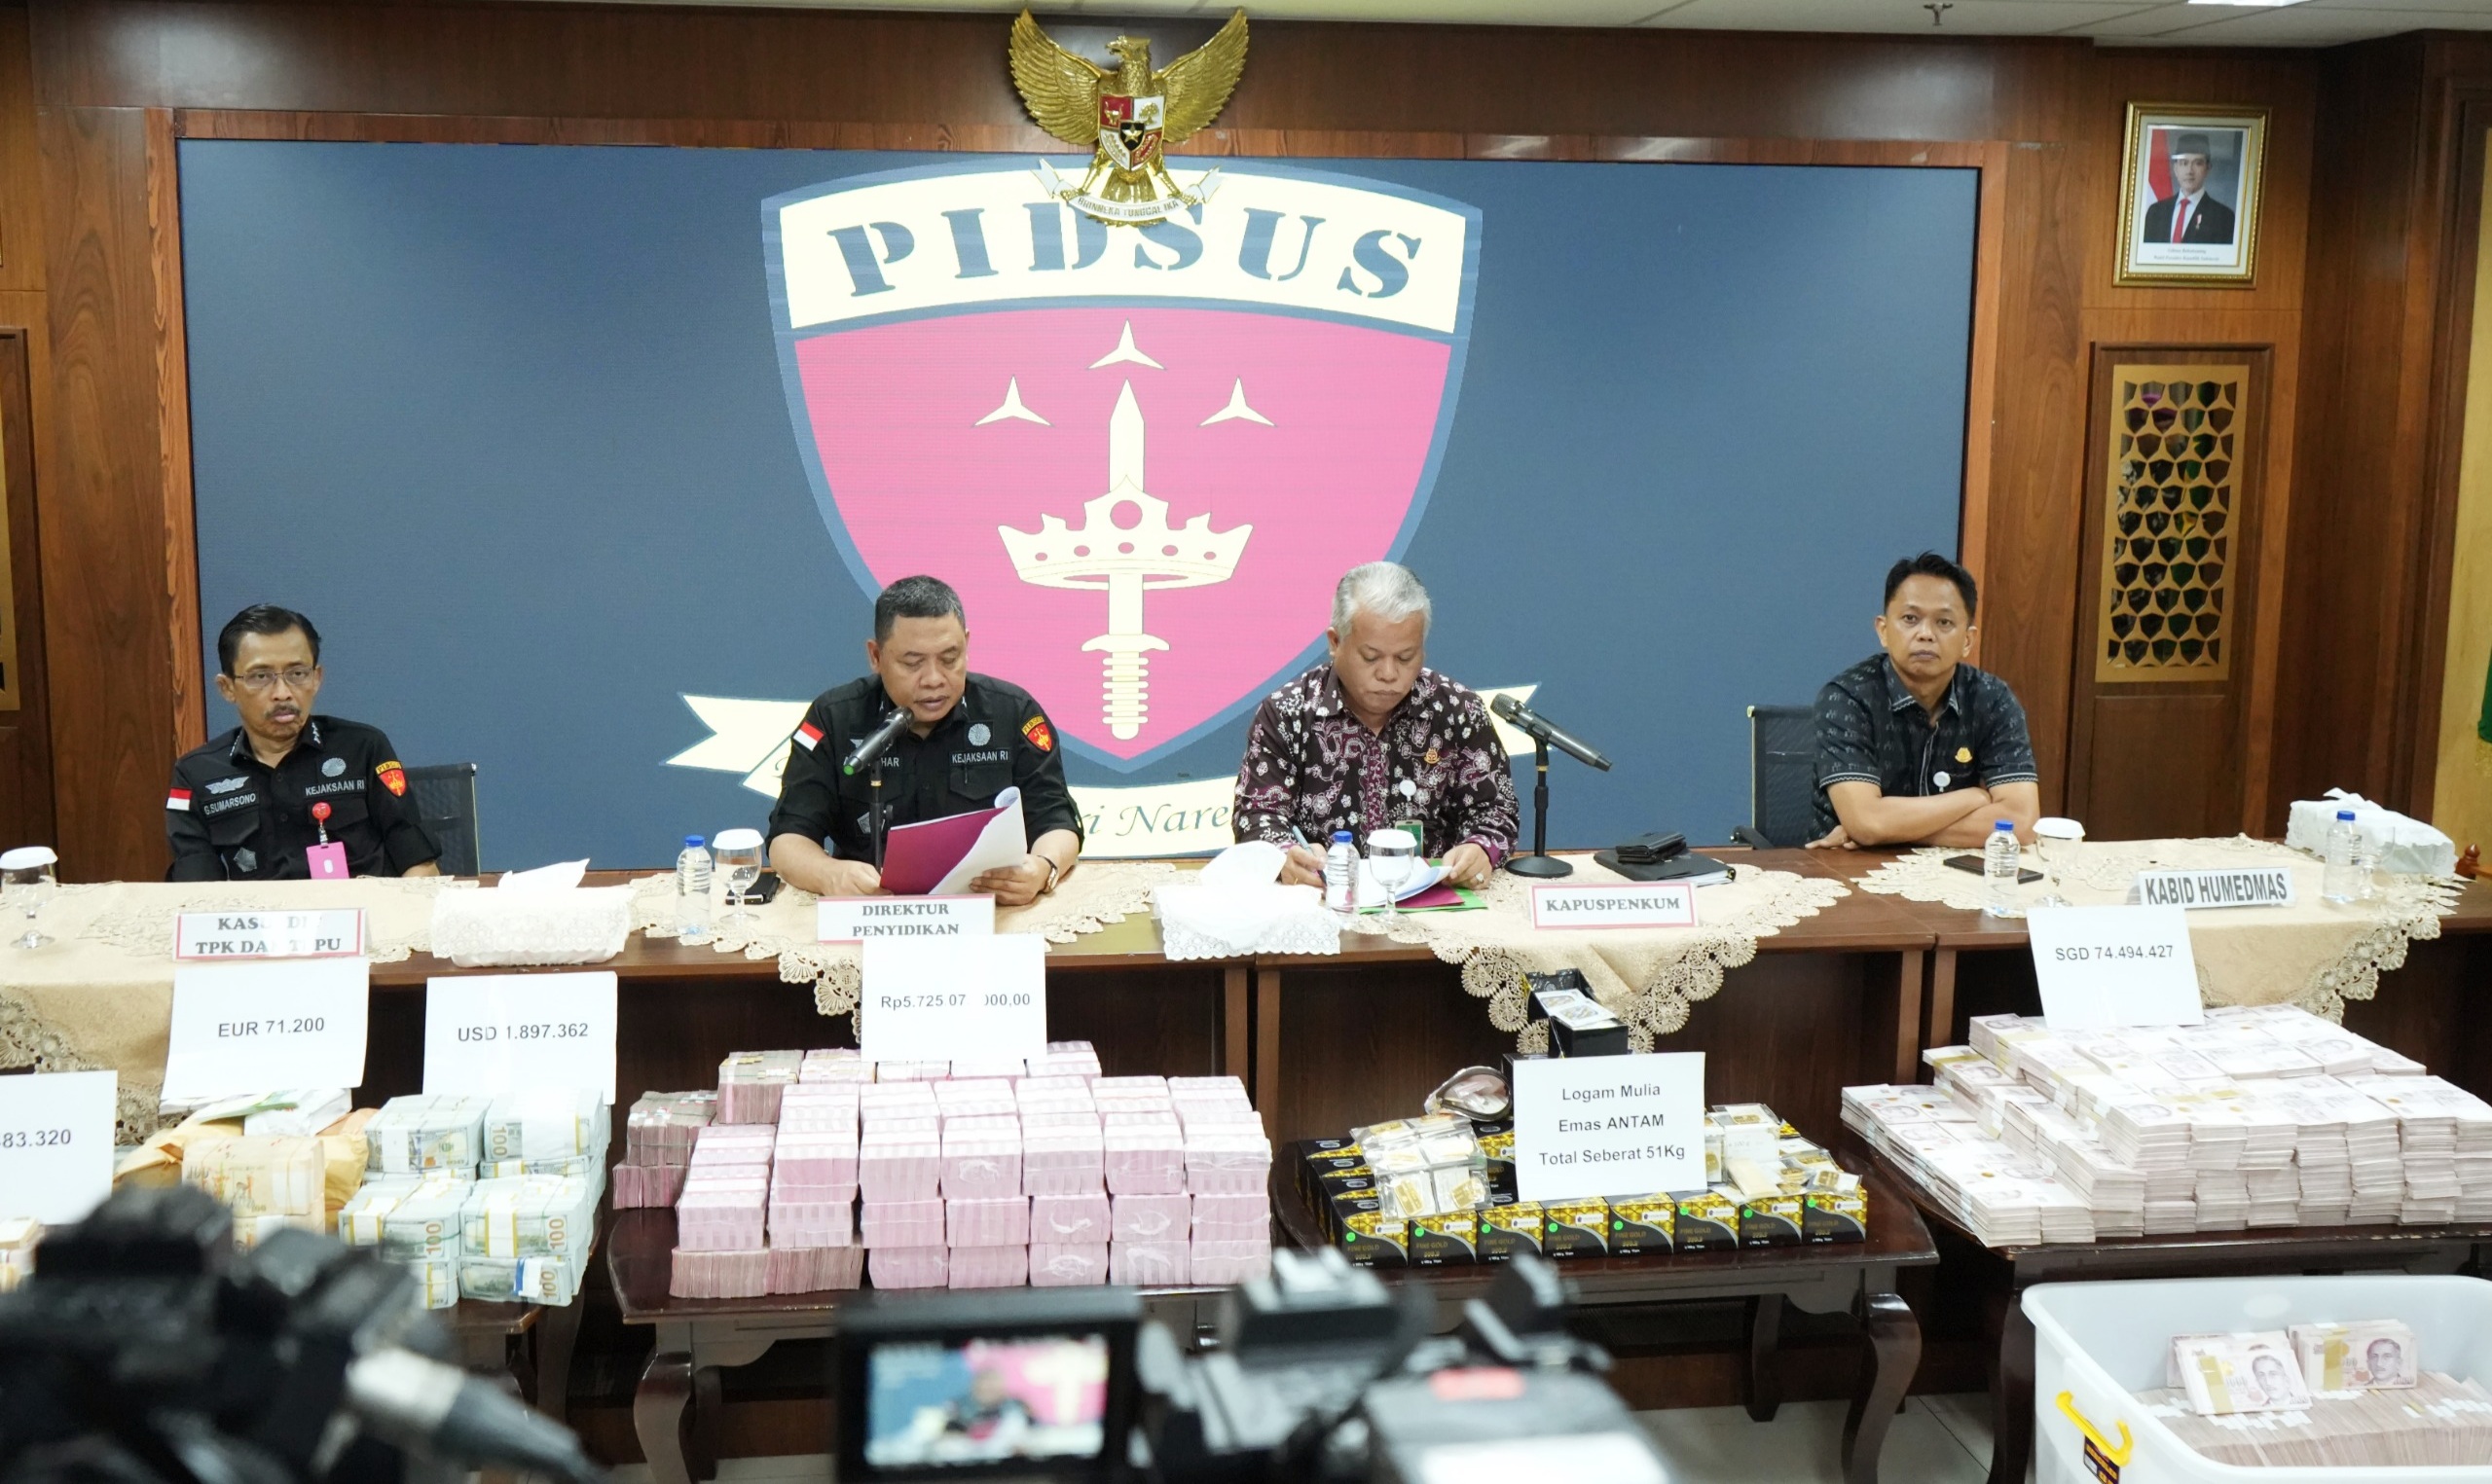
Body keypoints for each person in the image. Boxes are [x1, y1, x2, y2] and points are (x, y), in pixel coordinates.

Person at [768, 575, 1081, 907]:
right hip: (871, 914)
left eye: (949, 659)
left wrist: (1043, 867)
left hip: (988, 911)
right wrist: (829, 874)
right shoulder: (834, 718)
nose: (933, 679)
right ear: (876, 656)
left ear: (967, 644)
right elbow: (788, 837)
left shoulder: (1012, 712)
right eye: (913, 663)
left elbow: (1057, 820)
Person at [1233, 561, 1519, 890]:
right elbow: (1255, 815)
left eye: (1405, 657)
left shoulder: (1457, 711)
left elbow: (1495, 810)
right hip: (1324, 900)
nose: (1388, 674)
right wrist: (1285, 854)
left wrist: (1481, 848)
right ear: (1335, 642)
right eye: (1371, 657)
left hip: (1430, 904)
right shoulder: (1287, 713)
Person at [165, 604, 441, 882]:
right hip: (259, 910)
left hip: (358, 907)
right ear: (227, 688)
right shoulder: (196, 773)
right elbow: (195, 890)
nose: (282, 693)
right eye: (260, 676)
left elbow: (420, 866)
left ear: (316, 678)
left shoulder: (364, 748)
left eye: (297, 674)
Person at [1808, 553, 2040, 850]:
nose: (1926, 634)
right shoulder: (1848, 698)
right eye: (1910, 619)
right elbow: (1867, 821)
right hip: (1845, 866)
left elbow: (2021, 824)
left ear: (1967, 641)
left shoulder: (1993, 700)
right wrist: (1974, 797)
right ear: (1883, 631)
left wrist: (1885, 832)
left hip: (1951, 869)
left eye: (1944, 622)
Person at [2142, 131, 2236, 246]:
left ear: (2208, 168)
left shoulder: (2223, 217)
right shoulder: (2155, 212)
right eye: (2184, 163)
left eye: (2198, 163)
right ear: (2175, 168)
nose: (2189, 171)